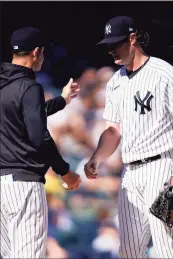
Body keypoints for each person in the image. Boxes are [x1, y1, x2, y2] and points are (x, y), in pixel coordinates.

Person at [84, 16, 173, 258]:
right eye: (107, 45)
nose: (111, 50)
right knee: (128, 251)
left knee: (167, 249)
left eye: (115, 43)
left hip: (163, 166)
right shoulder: (114, 82)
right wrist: (96, 158)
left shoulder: (163, 73)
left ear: (133, 39)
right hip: (130, 172)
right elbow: (113, 131)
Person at [0, 27, 81, 258]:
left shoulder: (4, 84)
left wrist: (61, 101)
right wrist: (65, 171)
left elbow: (23, 114)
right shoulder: (29, 86)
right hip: (23, 185)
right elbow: (39, 136)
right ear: (36, 52)